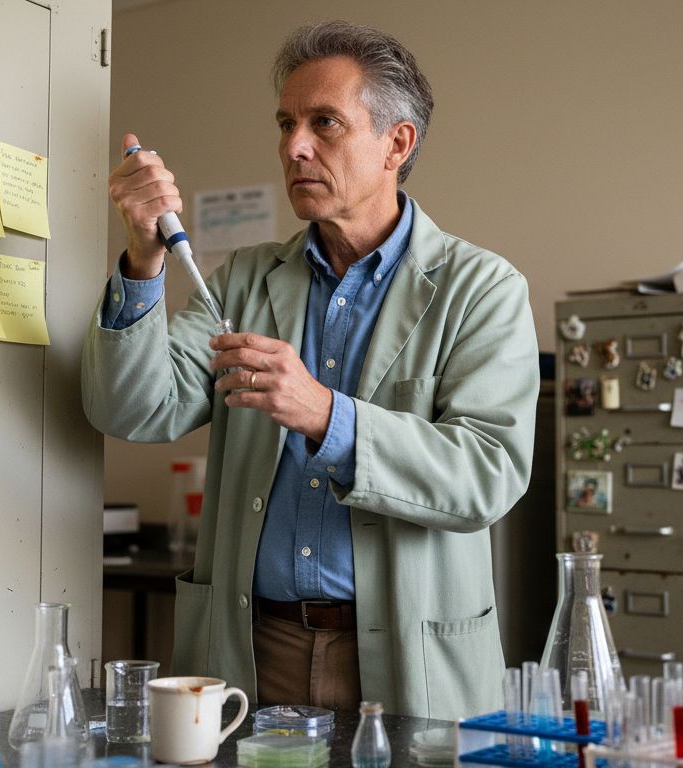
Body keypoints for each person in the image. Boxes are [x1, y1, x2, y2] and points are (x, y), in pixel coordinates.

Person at [82, 20, 538, 721]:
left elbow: (488, 473)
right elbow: (135, 410)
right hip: (250, 645)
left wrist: (327, 415)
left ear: (397, 143)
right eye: (287, 124)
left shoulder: (481, 288)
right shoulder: (243, 279)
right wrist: (145, 261)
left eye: (325, 123)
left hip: (403, 658)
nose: (294, 147)